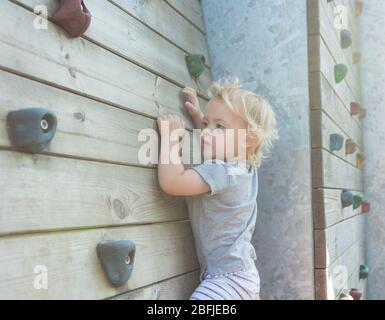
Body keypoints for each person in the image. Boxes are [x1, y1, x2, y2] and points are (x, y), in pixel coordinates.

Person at [156, 78, 278, 300]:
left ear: (247, 140)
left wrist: (171, 137)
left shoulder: (222, 171)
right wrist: (199, 118)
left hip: (227, 280)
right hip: (241, 277)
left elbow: (173, 182)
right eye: (207, 123)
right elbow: (219, 145)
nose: (207, 132)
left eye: (219, 126)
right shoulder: (243, 167)